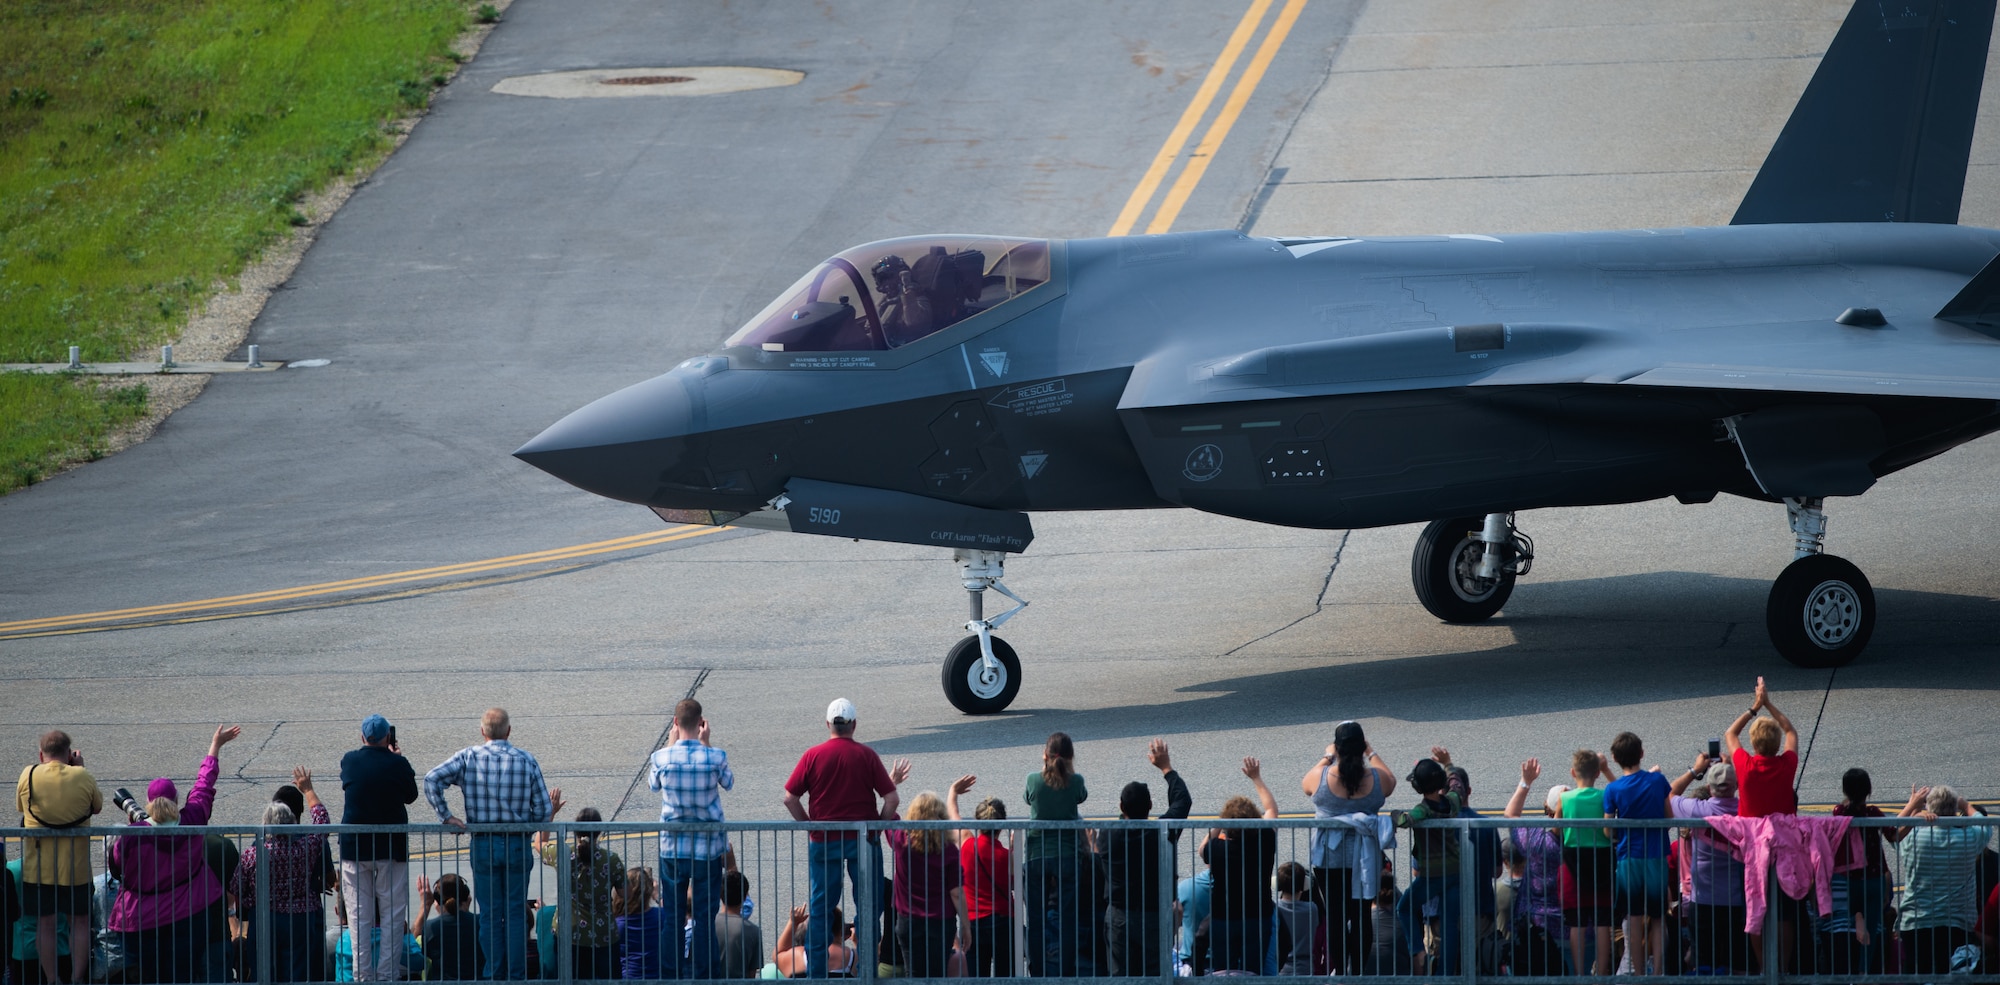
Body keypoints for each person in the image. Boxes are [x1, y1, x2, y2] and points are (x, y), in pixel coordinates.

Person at [424, 708, 561, 981]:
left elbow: (432, 779)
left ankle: (493, 974)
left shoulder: (469, 757)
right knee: (513, 913)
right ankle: (516, 974)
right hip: (517, 844)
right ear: (508, 731)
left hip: (484, 843)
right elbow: (544, 809)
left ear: (482, 731)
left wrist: (446, 816)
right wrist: (527, 826)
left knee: (489, 914)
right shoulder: (525, 760)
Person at [108, 724, 238, 985]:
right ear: (177, 801)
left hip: (143, 922)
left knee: (148, 977)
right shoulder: (192, 819)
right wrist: (215, 746)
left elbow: (117, 868)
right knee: (182, 977)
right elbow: (204, 785)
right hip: (186, 918)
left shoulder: (132, 836)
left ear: (147, 804)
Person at [781, 698, 901, 980]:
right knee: (869, 908)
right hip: (863, 839)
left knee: (821, 908)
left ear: (827, 724)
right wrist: (877, 826)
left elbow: (790, 798)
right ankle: (867, 971)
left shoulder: (813, 755)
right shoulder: (867, 755)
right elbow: (892, 798)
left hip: (824, 840)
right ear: (854, 725)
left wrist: (809, 826)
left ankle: (817, 975)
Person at [1302, 720, 1396, 976]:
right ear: (1361, 745)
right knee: (1362, 913)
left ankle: (1341, 973)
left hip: (1330, 859)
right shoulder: (1375, 780)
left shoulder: (1323, 778)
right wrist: (1372, 752)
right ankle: (1358, 973)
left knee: (1335, 915)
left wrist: (1326, 756)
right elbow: (1391, 781)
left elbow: (1305, 784)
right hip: (1364, 859)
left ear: (1338, 748)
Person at [649, 697, 734, 979]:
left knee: (672, 917)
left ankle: (670, 974)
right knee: (704, 918)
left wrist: (670, 745)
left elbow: (653, 784)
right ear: (701, 723)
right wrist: (707, 744)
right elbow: (728, 783)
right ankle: (705, 974)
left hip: (672, 849)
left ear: (675, 723)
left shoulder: (662, 757)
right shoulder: (715, 756)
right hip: (707, 850)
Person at [1099, 739, 1191, 977]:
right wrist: (1166, 768)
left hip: (1120, 916)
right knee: (1156, 975)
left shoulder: (1109, 835)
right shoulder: (1161, 832)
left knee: (1120, 976)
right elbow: (1182, 801)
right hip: (1154, 915)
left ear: (1121, 807)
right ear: (1150, 805)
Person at [16, 730, 101, 985]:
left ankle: (52, 980)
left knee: (45, 925)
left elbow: (21, 808)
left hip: (38, 868)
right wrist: (80, 769)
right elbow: (96, 807)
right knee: (80, 923)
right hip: (75, 868)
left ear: (41, 754)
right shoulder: (81, 775)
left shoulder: (29, 774)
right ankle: (76, 978)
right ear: (68, 753)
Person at [338, 714, 418, 983]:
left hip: (354, 847)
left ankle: (362, 977)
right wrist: (397, 758)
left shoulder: (350, 760)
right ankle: (387, 976)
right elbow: (410, 795)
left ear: (363, 737)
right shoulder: (398, 763)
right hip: (390, 847)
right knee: (393, 916)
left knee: (359, 917)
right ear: (387, 737)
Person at [234, 767, 330, 982]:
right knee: (298, 972)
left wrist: (252, 900)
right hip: (299, 916)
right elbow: (322, 821)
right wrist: (308, 790)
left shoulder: (253, 854)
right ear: (294, 821)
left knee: (264, 971)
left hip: (265, 915)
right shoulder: (305, 847)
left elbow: (237, 888)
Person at [1669, 757, 1750, 973]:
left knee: (1704, 964)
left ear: (1709, 787)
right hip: (1737, 901)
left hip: (1703, 899)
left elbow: (1668, 795)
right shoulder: (1745, 810)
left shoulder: (1699, 809)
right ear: (1736, 786)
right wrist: (1732, 768)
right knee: (1736, 964)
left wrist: (1695, 769)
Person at [1896, 784, 1985, 976]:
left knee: (1919, 975)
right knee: (1955, 974)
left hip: (1917, 921)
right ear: (1954, 810)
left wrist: (1913, 808)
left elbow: (1893, 832)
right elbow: (1983, 824)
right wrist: (1966, 805)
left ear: (1930, 809)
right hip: (1957, 922)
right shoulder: (1969, 837)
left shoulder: (1913, 836)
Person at [1200, 757, 1278, 974]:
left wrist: (1221, 821)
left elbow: (1201, 849)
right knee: (1254, 969)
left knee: (1223, 969)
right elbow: (1271, 810)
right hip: (1257, 915)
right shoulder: (1264, 841)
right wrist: (1256, 778)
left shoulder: (1217, 849)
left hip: (1223, 917)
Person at [1022, 732, 1091, 977]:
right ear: (1071, 756)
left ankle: (1038, 972)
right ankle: (1067, 971)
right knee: (1068, 918)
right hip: (1067, 855)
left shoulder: (1033, 780)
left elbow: (1027, 798)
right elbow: (1081, 797)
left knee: (1036, 919)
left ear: (1045, 754)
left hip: (1037, 855)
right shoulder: (1076, 780)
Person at [1602, 732, 1670, 975]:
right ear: (1641, 754)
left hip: (1628, 858)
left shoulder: (1612, 789)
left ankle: (1639, 974)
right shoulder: (1657, 781)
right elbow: (1669, 817)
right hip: (1655, 855)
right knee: (1658, 915)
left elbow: (1608, 830)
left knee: (1633, 918)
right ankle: (1659, 972)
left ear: (1615, 758)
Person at [1392, 757, 1467, 976]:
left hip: (1432, 875)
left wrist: (1395, 815)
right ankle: (1447, 975)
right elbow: (1457, 787)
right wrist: (1449, 765)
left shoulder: (1423, 809)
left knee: (1404, 907)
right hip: (1455, 871)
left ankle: (1418, 950)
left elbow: (1406, 821)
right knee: (1450, 924)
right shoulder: (1452, 802)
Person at [536, 806, 624, 979]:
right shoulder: (611, 859)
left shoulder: (563, 853)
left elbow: (539, 843)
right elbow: (626, 894)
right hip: (603, 935)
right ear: (598, 832)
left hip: (568, 932)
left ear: (575, 831)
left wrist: (551, 813)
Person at [885, 791, 965, 977]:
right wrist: (966, 926)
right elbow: (956, 893)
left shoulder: (901, 841)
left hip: (908, 919)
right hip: (941, 921)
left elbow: (888, 818)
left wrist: (892, 786)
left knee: (913, 974)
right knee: (938, 975)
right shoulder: (949, 850)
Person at [1499, 759, 1566, 975]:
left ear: (1547, 809)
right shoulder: (1587, 840)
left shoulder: (1537, 840)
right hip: (1577, 929)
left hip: (1537, 928)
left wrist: (1525, 782)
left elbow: (1511, 815)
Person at [1833, 767, 1902, 973]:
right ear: (1868, 790)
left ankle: (1857, 916)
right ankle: (1865, 972)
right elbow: (1894, 836)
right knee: (1871, 932)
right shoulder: (1873, 812)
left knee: (1848, 926)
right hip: (1874, 878)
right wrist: (1912, 818)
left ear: (1845, 791)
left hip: (1851, 878)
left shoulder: (1840, 812)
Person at [1555, 749, 1614, 976]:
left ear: (1573, 772)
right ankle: (1601, 972)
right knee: (1602, 922)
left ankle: (1579, 974)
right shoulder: (1604, 796)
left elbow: (1556, 827)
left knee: (1576, 923)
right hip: (1601, 860)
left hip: (1572, 861)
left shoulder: (1565, 797)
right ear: (1597, 774)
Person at [944, 779, 1010, 978]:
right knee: (1005, 976)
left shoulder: (966, 844)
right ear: (1002, 825)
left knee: (974, 976)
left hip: (973, 923)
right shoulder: (1008, 856)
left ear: (977, 823)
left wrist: (953, 792)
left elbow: (953, 816)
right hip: (1003, 921)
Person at [1727, 677, 1799, 818]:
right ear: (1778, 744)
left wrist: (1755, 707)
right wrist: (1768, 704)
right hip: (1784, 836)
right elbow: (1790, 731)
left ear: (1753, 744)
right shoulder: (1787, 764)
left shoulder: (1745, 765)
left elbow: (1731, 733)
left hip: (1751, 836)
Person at [415, 874, 482, 981]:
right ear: (466, 896)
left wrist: (425, 906)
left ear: (436, 899)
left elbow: (412, 950)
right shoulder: (481, 924)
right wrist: (466, 911)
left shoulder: (430, 928)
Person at [775, 906, 857, 978]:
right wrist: (857, 943)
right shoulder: (854, 957)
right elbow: (866, 970)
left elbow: (778, 954)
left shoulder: (797, 956)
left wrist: (793, 923)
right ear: (841, 930)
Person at [612, 867, 663, 980]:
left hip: (627, 979)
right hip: (658, 979)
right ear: (648, 892)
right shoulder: (661, 916)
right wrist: (657, 896)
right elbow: (680, 919)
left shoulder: (617, 924)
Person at [714, 871, 762, 979]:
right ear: (745, 897)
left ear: (720, 895)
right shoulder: (753, 931)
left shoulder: (706, 926)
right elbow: (751, 975)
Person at [1273, 862, 1318, 975]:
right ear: (1305, 884)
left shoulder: (1274, 909)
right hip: (1306, 968)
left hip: (1280, 967)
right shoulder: (1312, 909)